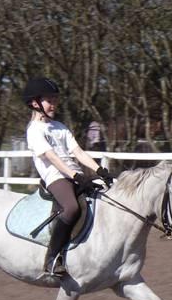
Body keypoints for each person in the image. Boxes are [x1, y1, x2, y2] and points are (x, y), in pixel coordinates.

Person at [23, 77, 113, 278]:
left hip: (74, 174)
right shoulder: (34, 130)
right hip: (55, 176)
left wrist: (99, 171)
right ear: (34, 103)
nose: (54, 104)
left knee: (102, 197)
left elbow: (78, 152)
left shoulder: (60, 127)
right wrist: (74, 175)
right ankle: (51, 259)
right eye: (49, 100)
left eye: (55, 99)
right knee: (71, 208)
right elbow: (52, 158)